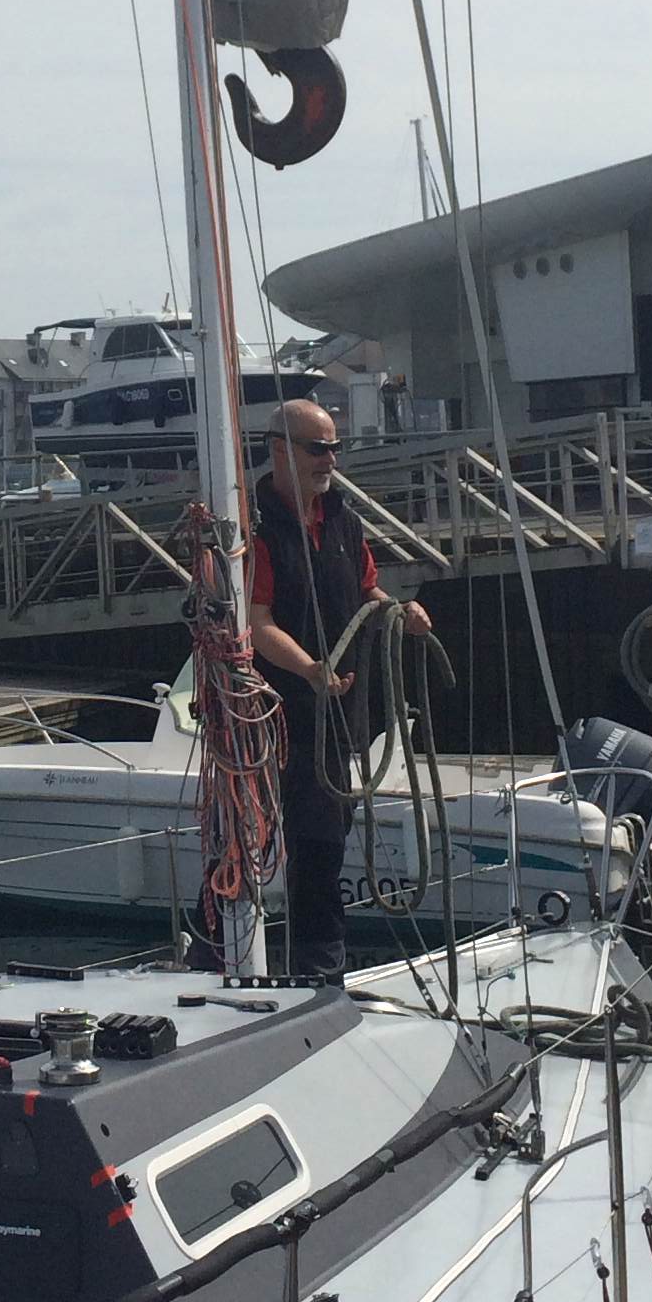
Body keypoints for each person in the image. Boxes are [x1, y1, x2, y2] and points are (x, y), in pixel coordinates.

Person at [241, 398, 430, 978]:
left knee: (324, 838)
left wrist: (398, 609)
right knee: (246, 838)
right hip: (268, 716)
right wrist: (308, 668)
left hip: (332, 715)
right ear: (280, 450)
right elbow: (257, 621)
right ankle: (217, 950)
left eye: (334, 449)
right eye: (318, 449)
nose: (330, 460)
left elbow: (366, 589)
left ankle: (319, 967)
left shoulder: (343, 519)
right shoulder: (255, 526)